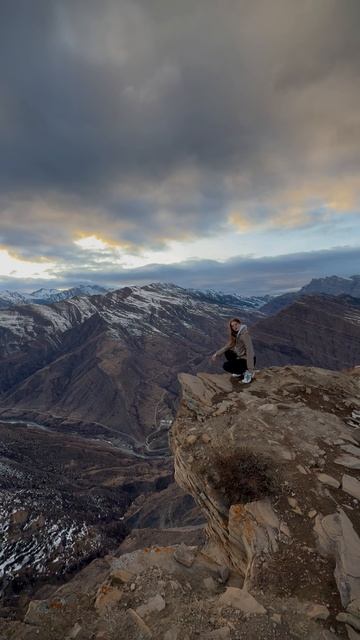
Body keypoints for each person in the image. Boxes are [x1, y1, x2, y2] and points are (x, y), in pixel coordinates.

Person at [211, 317, 256, 383]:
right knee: (228, 352)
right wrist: (216, 354)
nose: (234, 327)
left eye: (236, 324)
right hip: (241, 357)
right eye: (232, 326)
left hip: (248, 359)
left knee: (226, 366)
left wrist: (250, 370)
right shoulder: (236, 335)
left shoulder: (245, 335)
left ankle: (247, 373)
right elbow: (228, 346)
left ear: (240, 324)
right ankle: (240, 371)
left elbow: (250, 352)